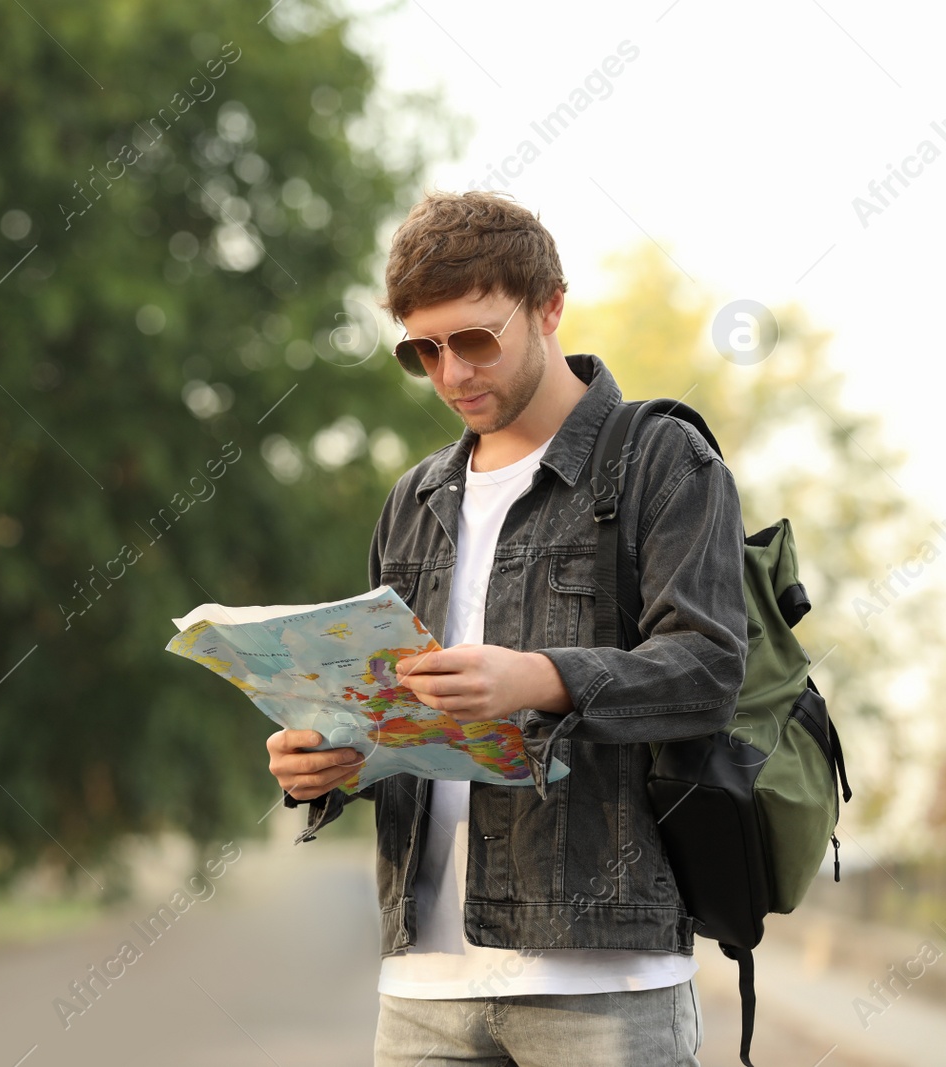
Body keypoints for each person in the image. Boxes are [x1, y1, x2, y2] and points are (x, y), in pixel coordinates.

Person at [266, 190, 748, 1067]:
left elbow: (709, 669)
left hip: (603, 983)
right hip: (423, 988)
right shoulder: (411, 501)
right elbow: (399, 718)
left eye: (476, 339)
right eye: (424, 351)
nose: (452, 374)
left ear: (551, 305)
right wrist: (323, 762)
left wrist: (541, 677)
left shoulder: (659, 459)